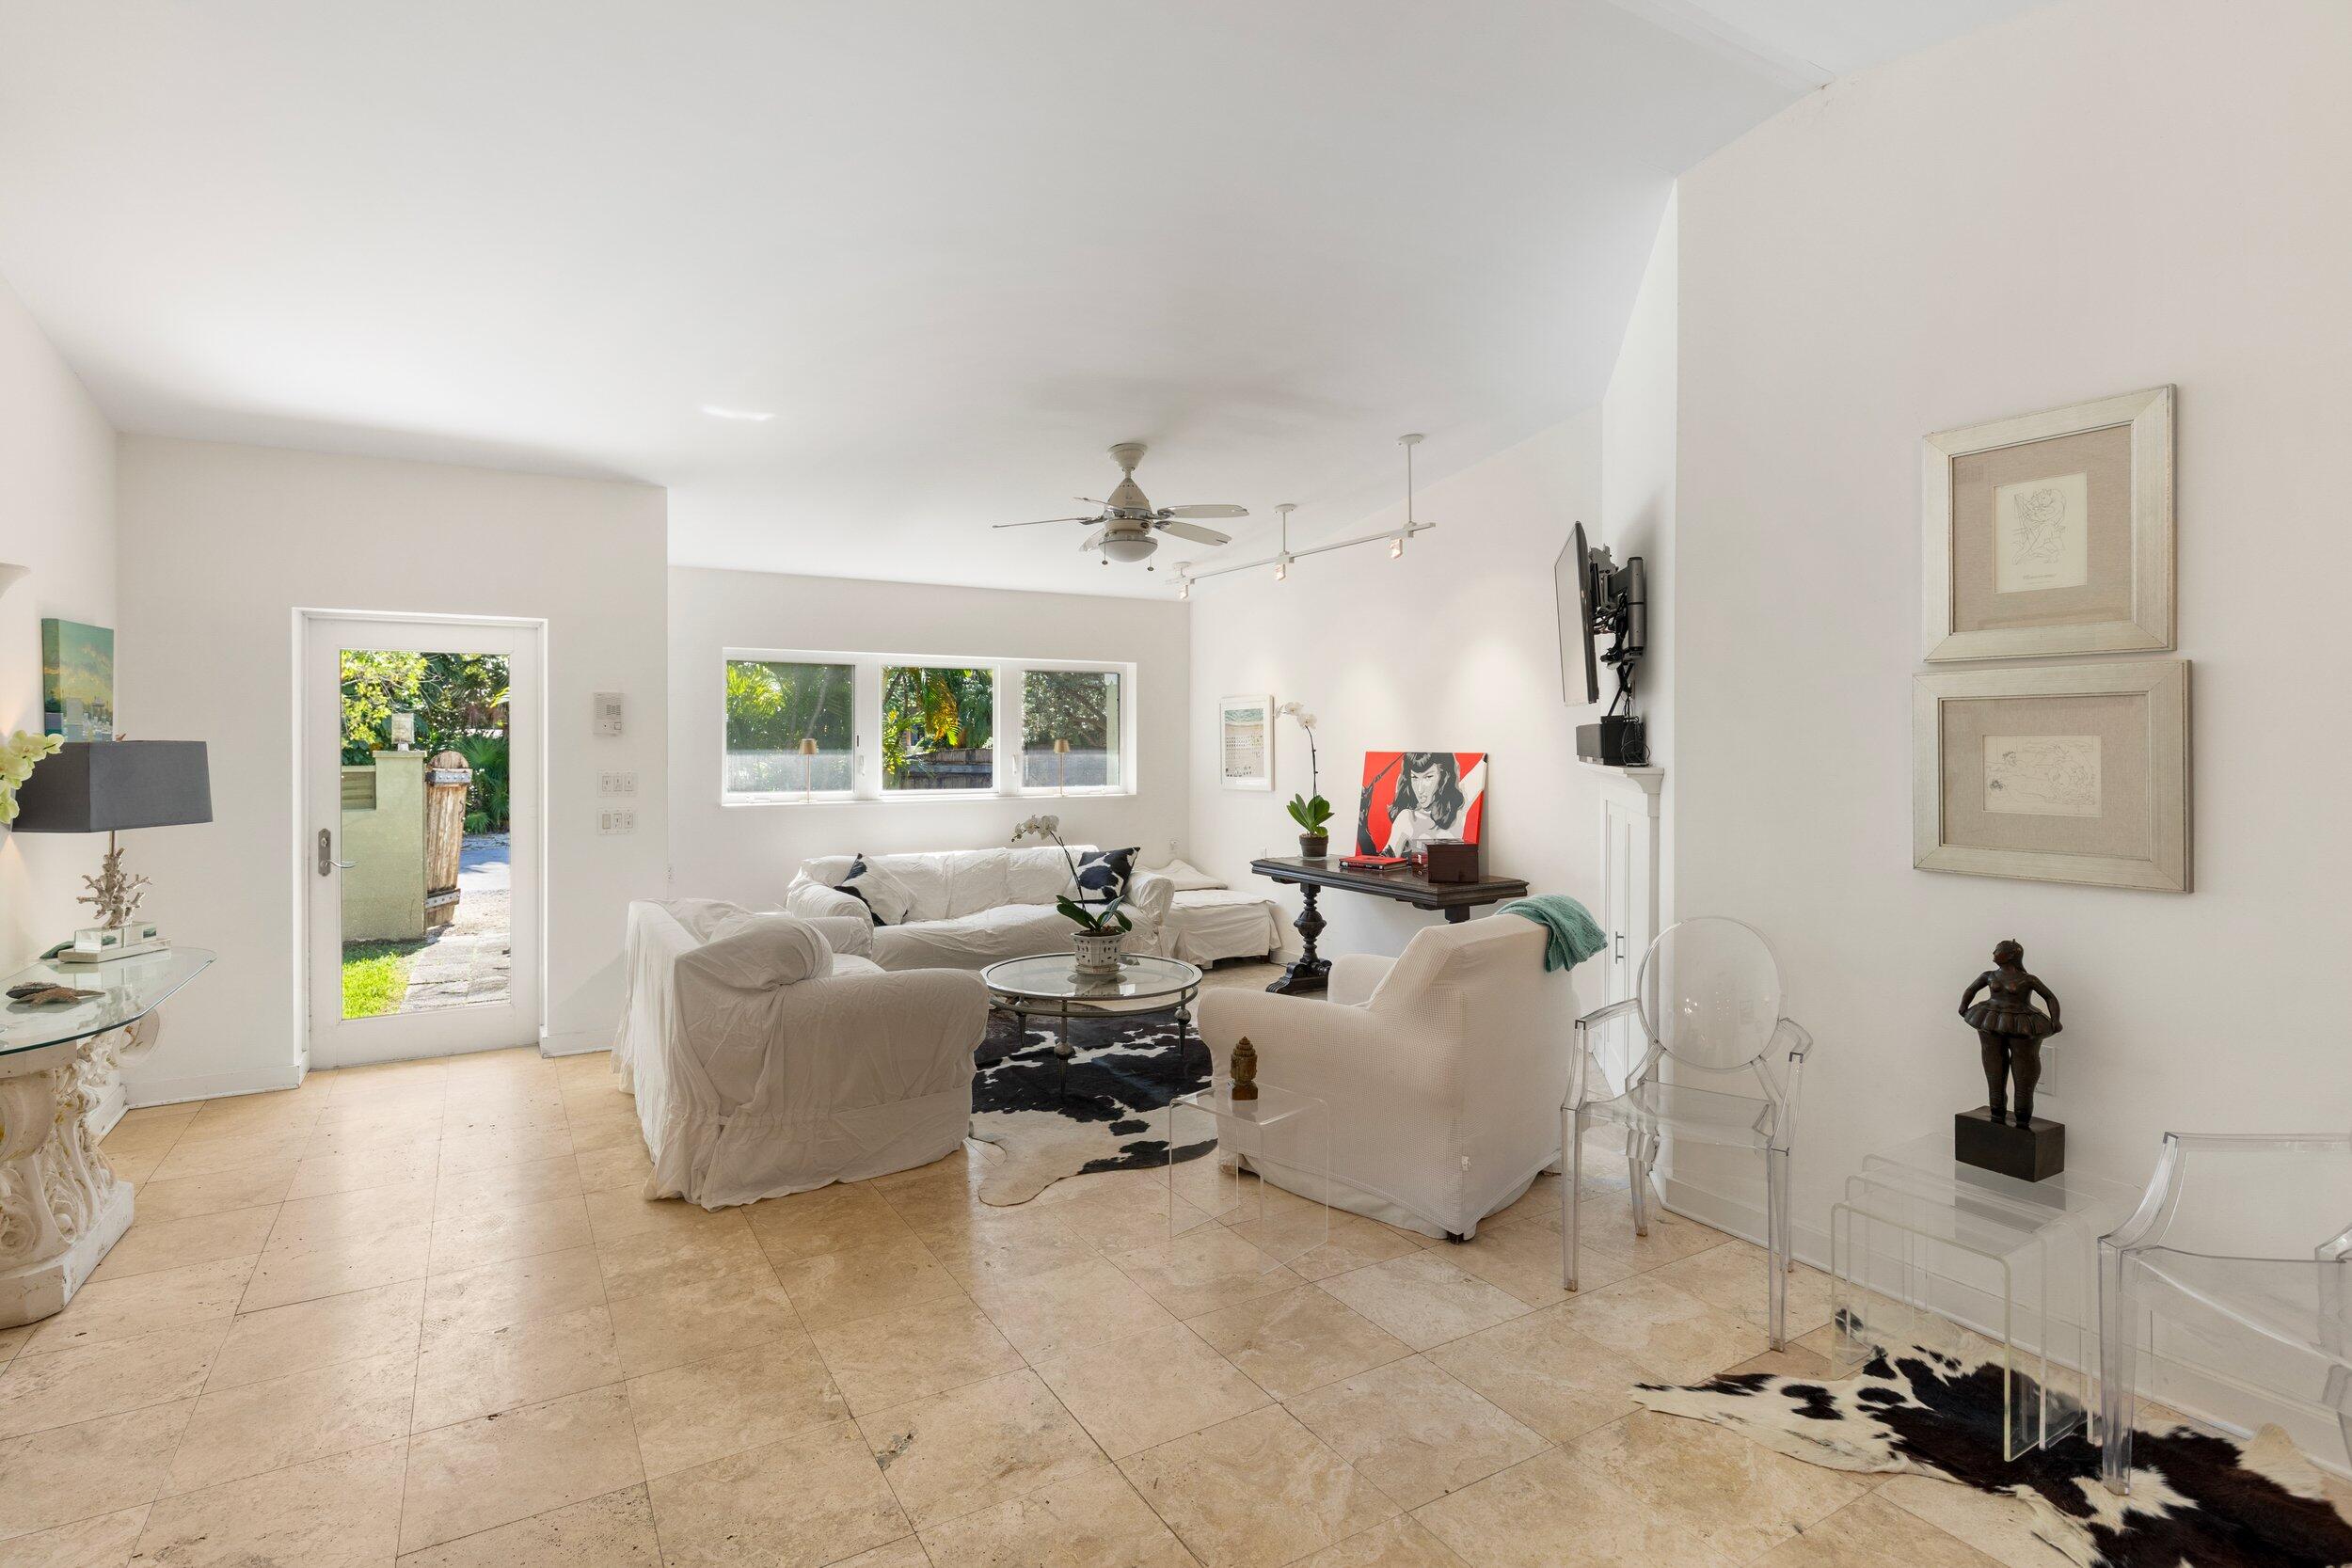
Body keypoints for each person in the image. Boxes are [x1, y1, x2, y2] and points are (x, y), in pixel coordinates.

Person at [1957, 940, 2062, 1125]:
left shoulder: (2028, 979)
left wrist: (2055, 1020)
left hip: (2021, 1023)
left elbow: (2049, 996)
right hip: (1990, 1019)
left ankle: (2022, 1117)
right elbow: (1971, 989)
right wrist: (1963, 1007)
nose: (1994, 953)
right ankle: (1997, 1112)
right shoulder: (1989, 975)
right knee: (1993, 1067)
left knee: (2024, 1071)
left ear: (2011, 955)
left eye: (1997, 950)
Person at [1386, 752, 1466, 856]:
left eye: (1428, 777)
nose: (1420, 790)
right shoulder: (1407, 819)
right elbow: (1385, 861)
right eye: (1414, 777)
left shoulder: (1460, 806)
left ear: (1444, 777)